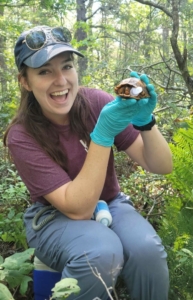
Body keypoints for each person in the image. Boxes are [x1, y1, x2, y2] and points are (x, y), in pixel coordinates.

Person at [3, 25, 172, 300]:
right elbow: (78, 209)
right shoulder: (22, 135)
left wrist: (145, 122)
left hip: (110, 203)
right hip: (53, 217)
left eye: (67, 66)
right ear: (25, 81)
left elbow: (161, 165)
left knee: (146, 250)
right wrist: (103, 134)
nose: (61, 80)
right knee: (101, 251)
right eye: (44, 71)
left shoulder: (95, 102)